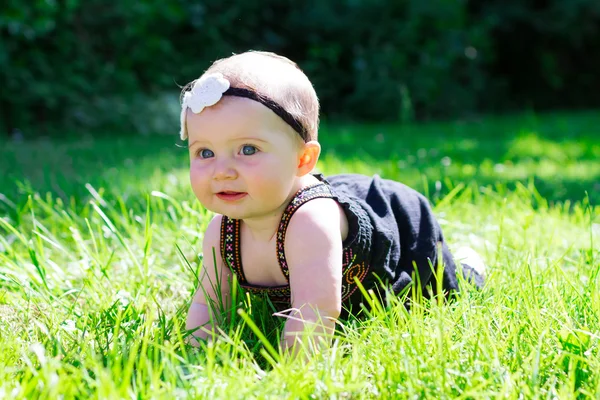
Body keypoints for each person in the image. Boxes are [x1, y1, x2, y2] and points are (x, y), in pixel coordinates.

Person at [182, 51, 485, 351]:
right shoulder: (221, 231)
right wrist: (193, 355)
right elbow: (207, 304)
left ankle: (470, 266)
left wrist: (292, 373)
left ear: (303, 159)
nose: (222, 172)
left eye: (247, 150)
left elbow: (315, 311)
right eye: (205, 153)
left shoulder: (310, 221)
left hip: (399, 235)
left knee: (438, 290)